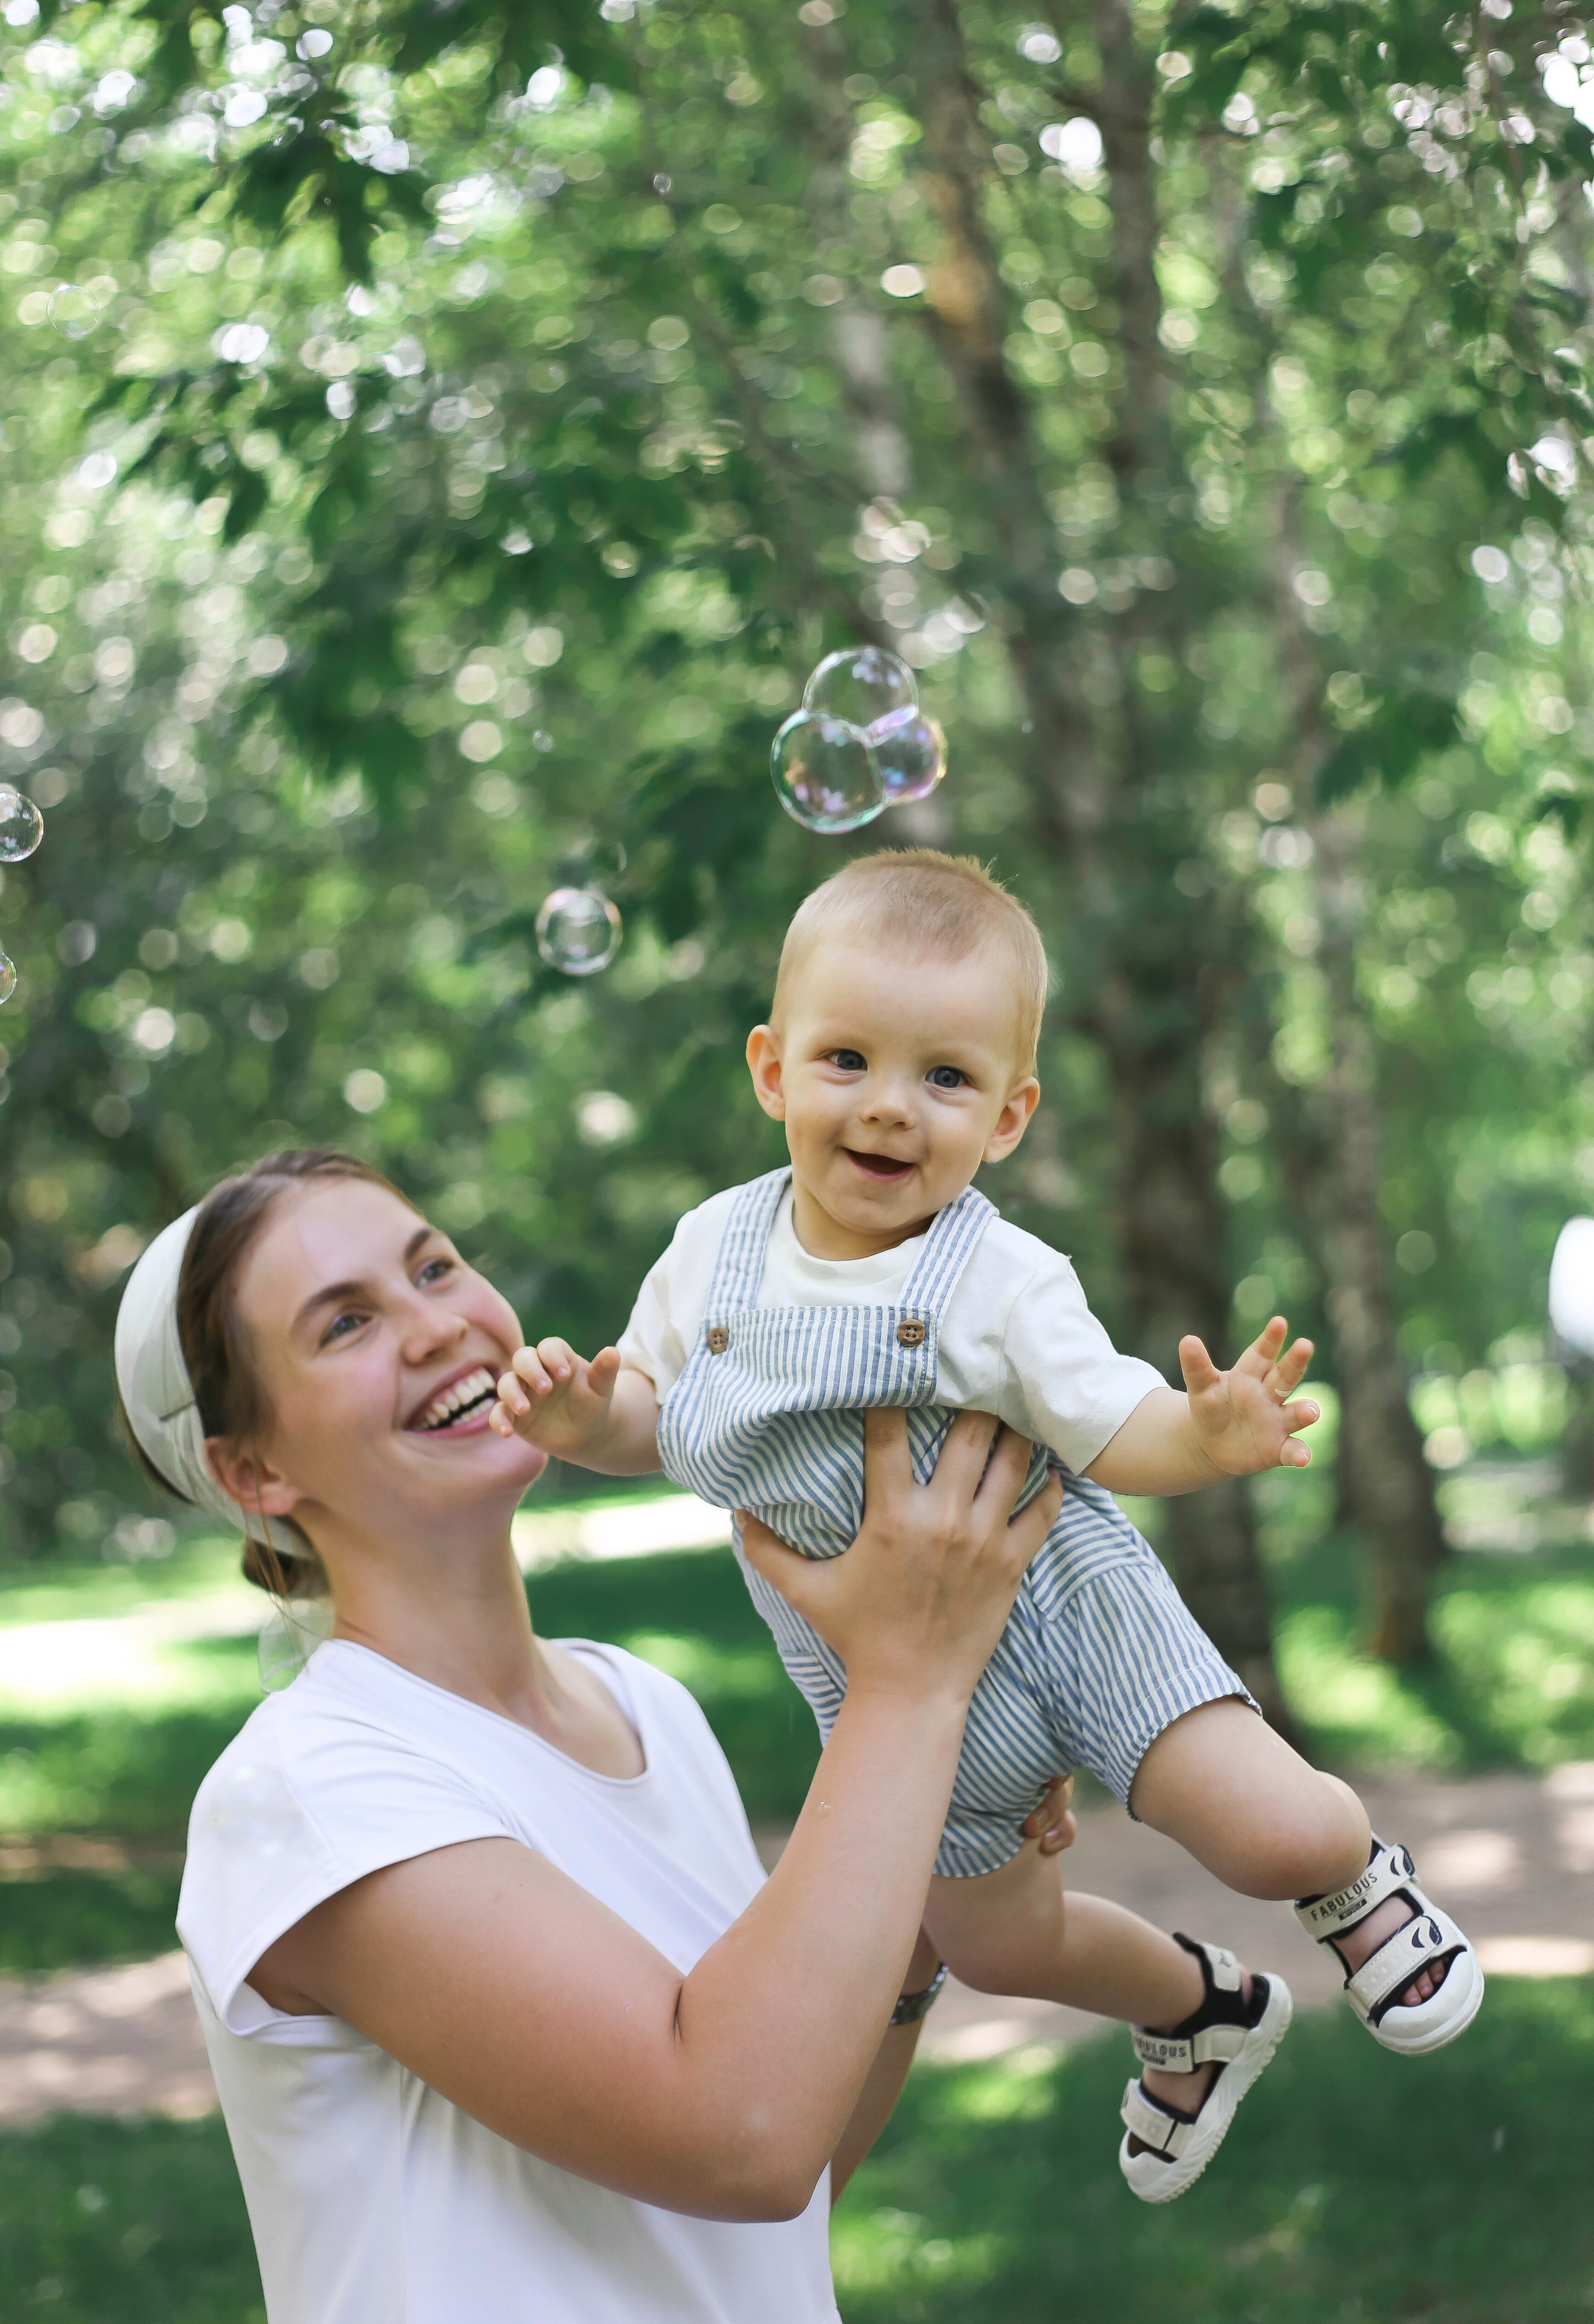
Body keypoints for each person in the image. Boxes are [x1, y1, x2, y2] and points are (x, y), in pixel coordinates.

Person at [493, 849, 1484, 2203]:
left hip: (1063, 1612)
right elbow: (655, 1419)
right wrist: (577, 1424)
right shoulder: (709, 1254)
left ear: (1006, 1116)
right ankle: (1202, 2011)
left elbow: (1107, 1425)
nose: (890, 1108)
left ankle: (1352, 1878)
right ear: (772, 1070)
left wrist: (1204, 1436)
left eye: (944, 1078)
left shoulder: (999, 1277)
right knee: (998, 1943)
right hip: (889, 1692)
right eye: (847, 1060)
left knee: (1260, 1830)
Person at [113, 1145, 1084, 2324]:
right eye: (346, 1324)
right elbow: (739, 2132)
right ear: (250, 1468)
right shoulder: (307, 1788)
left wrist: (927, 1899)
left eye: (435, 1266)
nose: (436, 1328)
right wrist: (907, 1682)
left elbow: (783, 2174)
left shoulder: (645, 1707)